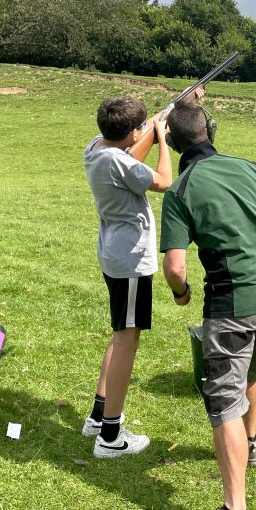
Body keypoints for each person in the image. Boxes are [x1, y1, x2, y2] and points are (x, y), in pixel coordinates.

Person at [160, 102, 256, 510]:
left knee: (222, 400)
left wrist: (181, 295)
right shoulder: (252, 168)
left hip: (233, 303)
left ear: (173, 144)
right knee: (251, 374)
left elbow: (175, 268)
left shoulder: (181, 190)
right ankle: (250, 445)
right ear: (210, 130)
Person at [81, 96, 173, 458]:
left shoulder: (96, 149)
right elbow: (164, 180)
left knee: (121, 336)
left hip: (113, 255)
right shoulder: (121, 162)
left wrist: (148, 126)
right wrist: (162, 136)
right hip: (131, 260)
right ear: (132, 132)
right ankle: (110, 436)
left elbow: (130, 154)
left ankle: (99, 415)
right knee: (126, 342)